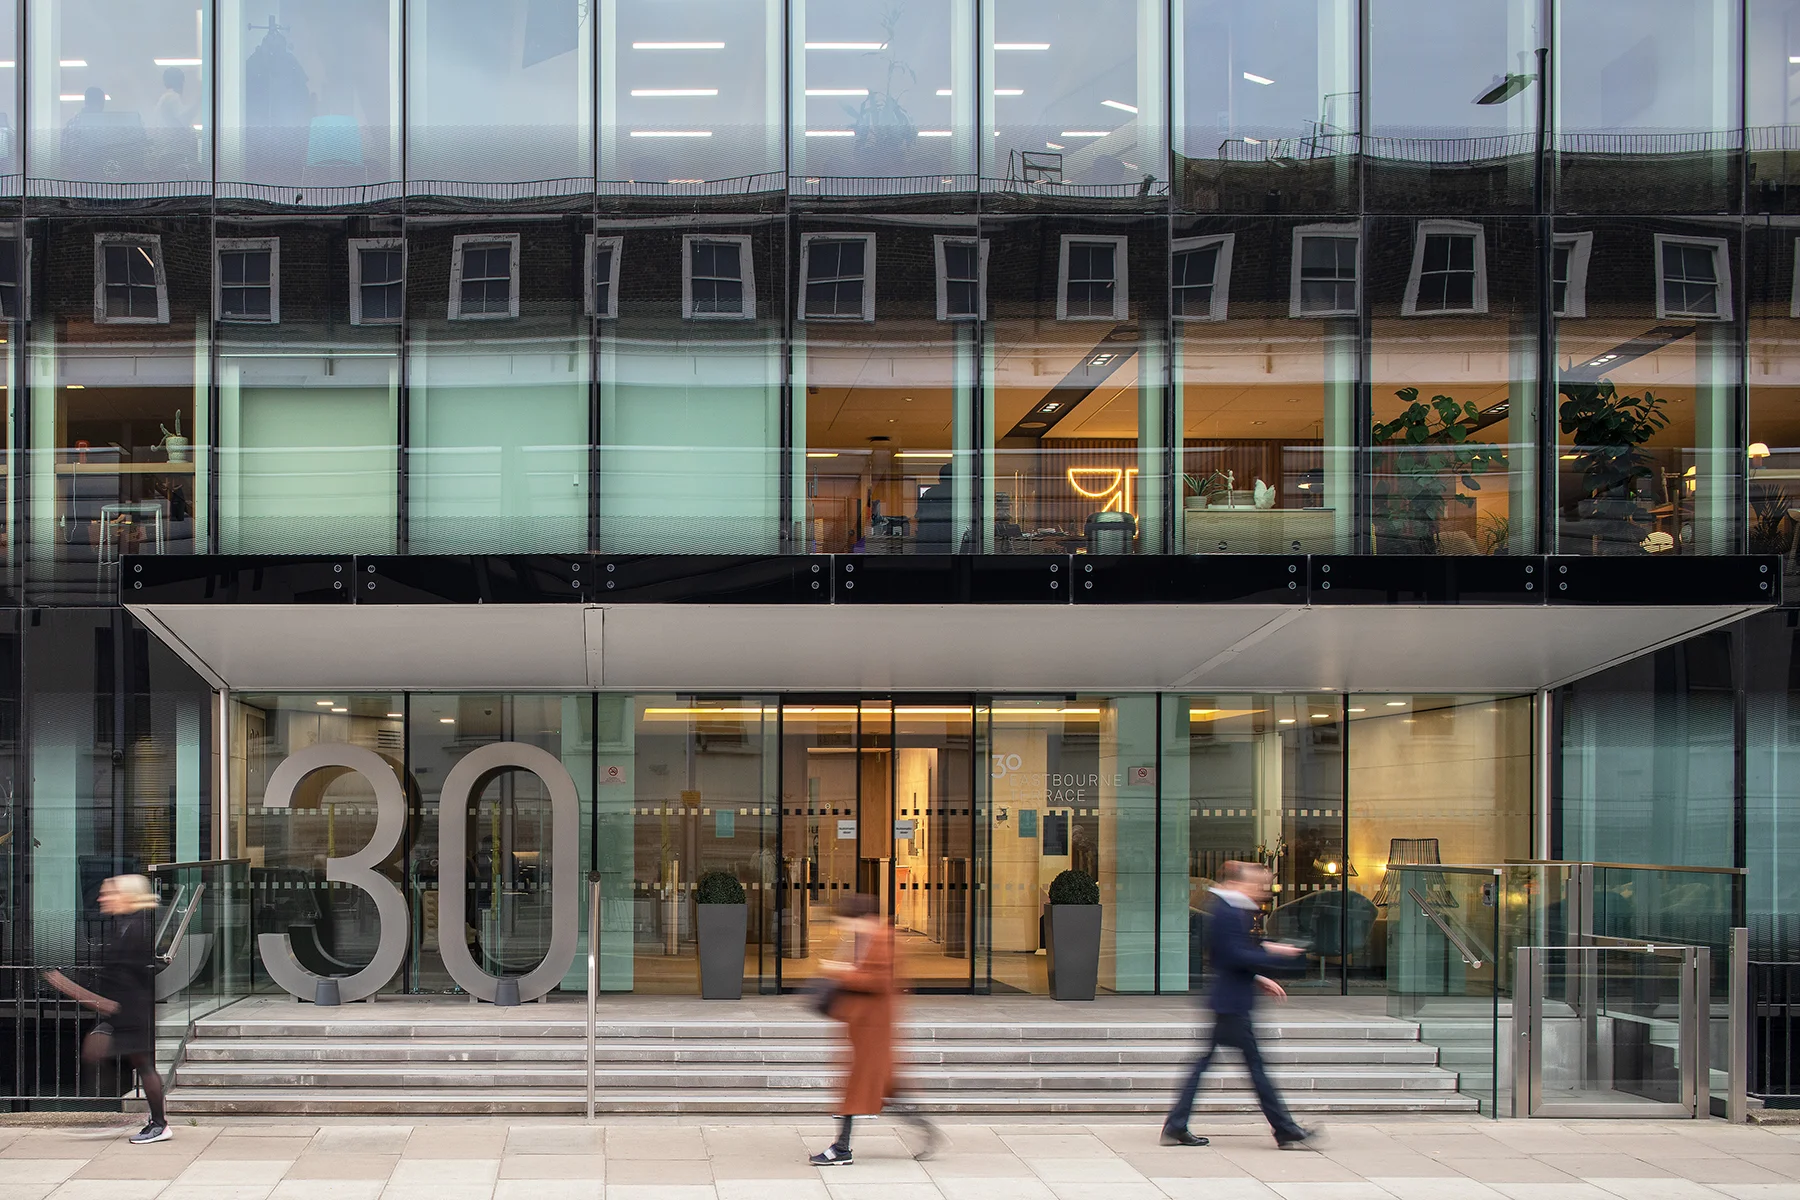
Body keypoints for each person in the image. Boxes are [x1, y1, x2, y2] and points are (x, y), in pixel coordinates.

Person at [1162, 860, 1320, 1151]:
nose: (1261, 891)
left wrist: (1258, 975)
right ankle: (1285, 1129)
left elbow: (1228, 955)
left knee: (1211, 1065)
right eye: (1256, 885)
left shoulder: (1229, 909)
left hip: (1229, 1000)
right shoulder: (1227, 911)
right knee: (1255, 1069)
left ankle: (1176, 1124)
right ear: (1238, 883)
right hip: (1231, 1003)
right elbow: (1233, 954)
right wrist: (1273, 953)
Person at [809, 895, 942, 1167]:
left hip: (873, 1032)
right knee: (885, 1089)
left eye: (846, 921)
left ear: (862, 918)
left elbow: (878, 982)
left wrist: (841, 971)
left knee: (856, 1090)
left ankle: (841, 1149)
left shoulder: (883, 940)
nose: (844, 928)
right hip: (866, 1030)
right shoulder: (870, 939)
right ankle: (927, 1130)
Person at [46, 874, 169, 1145]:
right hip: (121, 1011)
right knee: (97, 1052)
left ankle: (158, 1124)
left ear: (126, 896)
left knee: (143, 1066)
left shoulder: (139, 927)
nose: (102, 898)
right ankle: (130, 1119)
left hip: (131, 1012)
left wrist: (70, 987)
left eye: (108, 894)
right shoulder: (124, 924)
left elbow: (132, 976)